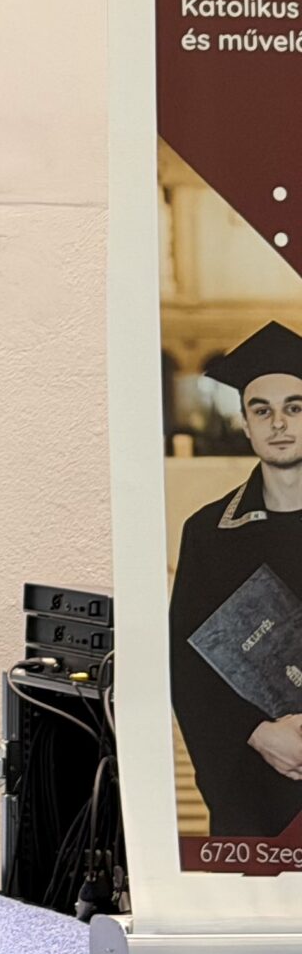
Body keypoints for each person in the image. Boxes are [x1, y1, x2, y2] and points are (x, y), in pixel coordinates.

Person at [172, 319, 302, 839]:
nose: (279, 423)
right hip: (255, 784)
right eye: (261, 410)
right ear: (245, 424)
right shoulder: (210, 533)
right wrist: (256, 733)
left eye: (295, 407)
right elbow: (186, 663)